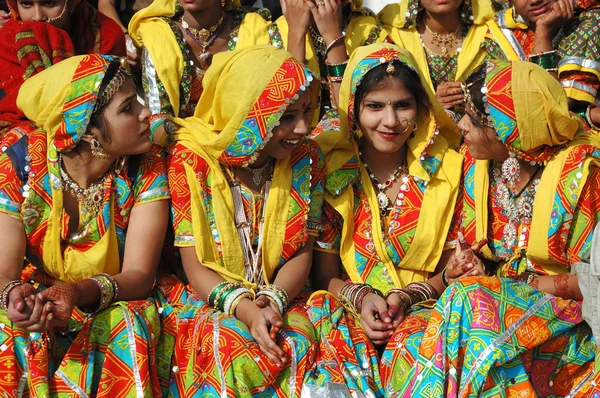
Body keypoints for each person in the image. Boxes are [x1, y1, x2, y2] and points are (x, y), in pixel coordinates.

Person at [166, 45, 381, 396]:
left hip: (284, 294)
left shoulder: (306, 159)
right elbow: (194, 265)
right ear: (247, 113)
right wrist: (246, 309)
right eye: (284, 117)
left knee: (297, 344)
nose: (302, 127)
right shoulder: (192, 161)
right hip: (211, 299)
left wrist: (274, 300)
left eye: (305, 112)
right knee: (230, 346)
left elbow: (302, 253)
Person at [394, 59, 600, 397]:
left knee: (471, 306)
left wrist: (515, 285)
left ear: (508, 129)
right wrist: (478, 267)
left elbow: (592, 281)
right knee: (413, 334)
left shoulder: (581, 175)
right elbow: (488, 257)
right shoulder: (484, 167)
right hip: (495, 299)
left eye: (473, 121)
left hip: (564, 316)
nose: (460, 126)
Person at [0, 54, 180, 396]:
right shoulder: (21, 160)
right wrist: (16, 299)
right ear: (86, 131)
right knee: (7, 329)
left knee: (125, 326)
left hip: (116, 295)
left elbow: (139, 276)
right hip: (41, 292)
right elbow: (3, 271)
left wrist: (77, 292)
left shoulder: (147, 165)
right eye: (128, 108)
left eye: (139, 100)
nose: (146, 113)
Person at [309, 43, 486, 389]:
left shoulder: (451, 169)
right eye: (375, 106)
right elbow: (324, 276)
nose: (390, 121)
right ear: (352, 110)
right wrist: (361, 298)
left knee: (415, 348)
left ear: (421, 109)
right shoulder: (331, 170)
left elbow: (453, 269)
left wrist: (407, 298)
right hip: (349, 308)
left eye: (403, 105)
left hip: (428, 309)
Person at [128, 0, 282, 118]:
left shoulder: (255, 29)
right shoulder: (159, 34)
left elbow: (278, 99)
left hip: (244, 139)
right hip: (181, 144)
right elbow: (158, 116)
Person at [0, 0, 125, 136]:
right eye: (26, 4)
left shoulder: (105, 34)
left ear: (71, 3)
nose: (37, 16)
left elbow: (111, 106)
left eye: (48, 3)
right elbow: (17, 109)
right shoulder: (7, 39)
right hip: (28, 130)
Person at [378, 0, 501, 120]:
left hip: (480, 136)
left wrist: (474, 94)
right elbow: (380, 100)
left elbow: (508, 94)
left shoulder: (493, 33)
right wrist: (428, 104)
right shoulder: (391, 38)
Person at [486, 0, 600, 128]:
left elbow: (554, 107)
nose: (535, 0)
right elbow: (501, 110)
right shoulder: (501, 33)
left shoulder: (589, 21)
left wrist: (543, 33)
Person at [276, 0, 389, 113]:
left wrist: (333, 37)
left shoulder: (373, 37)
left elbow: (349, 115)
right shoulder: (271, 34)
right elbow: (286, 113)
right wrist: (296, 33)